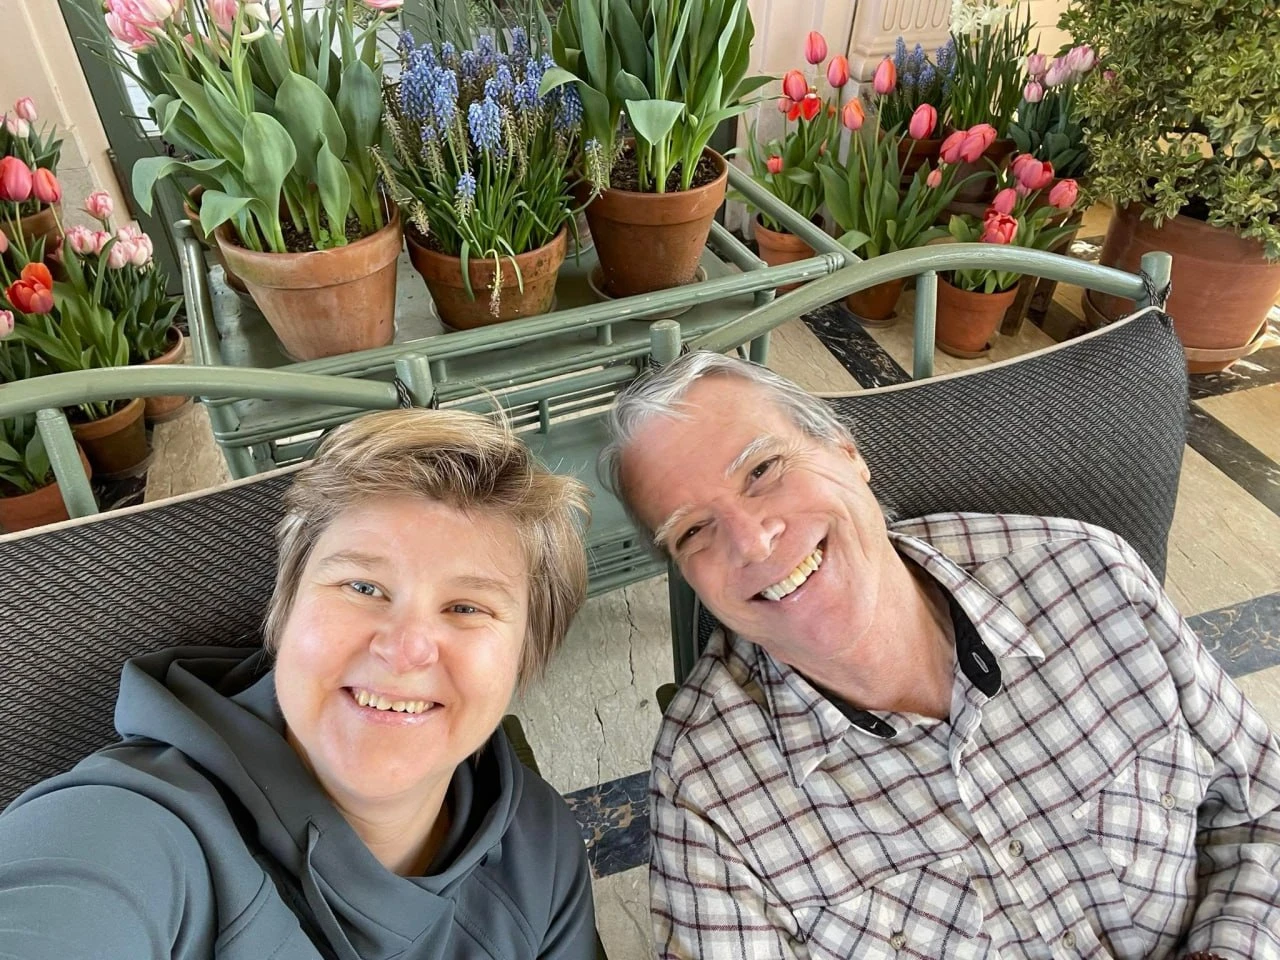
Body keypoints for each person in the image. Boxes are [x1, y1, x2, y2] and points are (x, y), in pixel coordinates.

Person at [602, 351, 1280, 960]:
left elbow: (1262, 808)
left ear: (846, 452)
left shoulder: (1089, 574)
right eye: (694, 530)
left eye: (762, 469)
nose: (751, 541)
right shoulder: (707, 789)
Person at [0, 409, 599, 959]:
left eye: (466, 607)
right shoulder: (129, 832)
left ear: (526, 657)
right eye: (362, 587)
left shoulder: (540, 846)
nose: (403, 649)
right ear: (283, 615)